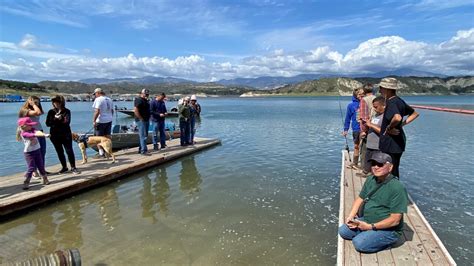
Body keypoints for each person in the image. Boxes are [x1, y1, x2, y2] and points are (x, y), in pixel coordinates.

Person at [338, 152, 408, 253]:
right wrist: (351, 216)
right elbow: (360, 199)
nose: (375, 167)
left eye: (380, 164)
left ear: (390, 167)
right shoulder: (371, 179)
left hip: (389, 229)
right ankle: (370, 235)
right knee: (343, 231)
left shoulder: (397, 188)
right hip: (368, 219)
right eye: (373, 164)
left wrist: (369, 227)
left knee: (359, 243)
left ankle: (387, 240)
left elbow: (395, 220)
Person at [378, 78, 419, 178]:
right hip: (398, 143)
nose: (379, 91)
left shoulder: (392, 102)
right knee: (394, 169)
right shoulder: (399, 101)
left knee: (389, 171)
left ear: (387, 89)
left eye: (381, 88)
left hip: (391, 143)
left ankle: (390, 191)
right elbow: (415, 113)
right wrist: (402, 124)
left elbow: (397, 117)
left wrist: (389, 127)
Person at [46, 95, 80, 174]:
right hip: (54, 135)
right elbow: (48, 123)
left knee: (69, 150)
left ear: (62, 102)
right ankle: (64, 167)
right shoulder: (51, 112)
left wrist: (61, 118)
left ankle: (73, 167)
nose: (56, 103)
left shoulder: (67, 111)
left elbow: (67, 122)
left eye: (58, 102)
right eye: (54, 102)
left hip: (65, 134)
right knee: (59, 151)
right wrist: (55, 118)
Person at [16, 117, 51, 190]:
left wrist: (44, 134)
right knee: (31, 167)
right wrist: (41, 135)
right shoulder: (24, 133)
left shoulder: (32, 130)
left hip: (37, 150)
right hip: (29, 153)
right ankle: (26, 181)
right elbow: (31, 135)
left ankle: (45, 179)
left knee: (41, 165)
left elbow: (37, 132)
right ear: (23, 126)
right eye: (29, 125)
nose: (31, 126)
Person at [18, 96, 49, 175]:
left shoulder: (35, 108)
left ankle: (42, 169)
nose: (37, 104)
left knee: (42, 151)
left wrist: (35, 105)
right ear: (29, 102)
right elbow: (38, 113)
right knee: (34, 152)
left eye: (38, 102)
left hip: (39, 131)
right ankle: (34, 172)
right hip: (31, 133)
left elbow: (41, 112)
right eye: (35, 102)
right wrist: (33, 104)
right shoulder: (25, 110)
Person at [362, 96, 386, 174]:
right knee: (367, 163)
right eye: (373, 107)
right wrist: (366, 126)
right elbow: (371, 126)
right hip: (370, 145)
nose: (374, 109)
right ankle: (366, 173)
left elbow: (383, 131)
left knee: (376, 166)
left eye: (376, 107)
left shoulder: (385, 117)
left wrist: (371, 125)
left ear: (383, 106)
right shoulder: (375, 116)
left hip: (377, 147)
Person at [358, 84, 377, 176]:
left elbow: (364, 117)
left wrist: (363, 130)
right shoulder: (377, 98)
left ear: (364, 91)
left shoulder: (364, 100)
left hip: (369, 128)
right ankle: (374, 170)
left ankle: (365, 170)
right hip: (377, 127)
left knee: (365, 149)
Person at [343, 88, 364, 169]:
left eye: (362, 94)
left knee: (364, 147)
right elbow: (347, 119)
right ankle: (355, 163)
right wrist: (345, 129)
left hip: (365, 129)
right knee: (356, 146)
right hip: (356, 129)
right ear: (355, 95)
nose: (361, 96)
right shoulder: (351, 105)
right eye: (359, 94)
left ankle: (363, 164)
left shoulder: (366, 103)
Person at [134, 89, 151, 155]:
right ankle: (144, 151)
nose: (147, 95)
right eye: (145, 94)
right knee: (143, 135)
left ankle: (141, 149)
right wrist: (141, 118)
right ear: (142, 93)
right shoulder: (138, 100)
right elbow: (136, 110)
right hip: (141, 120)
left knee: (145, 135)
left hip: (146, 119)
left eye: (148, 94)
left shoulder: (146, 100)